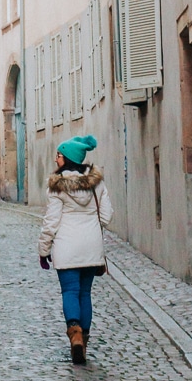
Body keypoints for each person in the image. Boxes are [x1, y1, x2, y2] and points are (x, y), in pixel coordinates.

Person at [37, 134, 113, 365]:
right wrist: (90, 225)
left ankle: (75, 334)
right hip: (91, 247)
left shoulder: (57, 187)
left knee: (70, 291)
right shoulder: (97, 183)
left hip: (66, 247)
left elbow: (51, 222)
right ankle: (84, 339)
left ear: (67, 158)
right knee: (85, 293)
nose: (55, 159)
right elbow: (107, 216)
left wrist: (43, 250)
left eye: (58, 155)